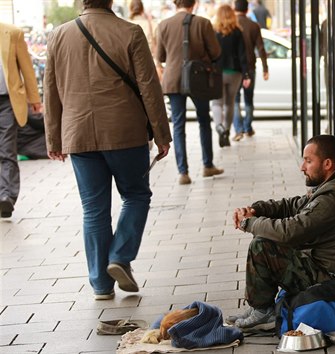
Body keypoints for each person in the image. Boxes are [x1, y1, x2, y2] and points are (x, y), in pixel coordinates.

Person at [44, 0, 172, 300]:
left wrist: (53, 139)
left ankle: (101, 285)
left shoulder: (58, 35)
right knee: (137, 195)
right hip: (124, 132)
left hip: (78, 134)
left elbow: (50, 90)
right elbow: (149, 86)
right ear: (111, 1)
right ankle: (120, 256)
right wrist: (161, 133)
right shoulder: (130, 31)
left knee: (93, 209)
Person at [229, 135, 335, 331]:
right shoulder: (333, 186)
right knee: (265, 237)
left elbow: (291, 231)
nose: (302, 167)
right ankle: (259, 308)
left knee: (262, 245)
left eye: (308, 161)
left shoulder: (334, 196)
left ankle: (262, 311)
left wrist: (249, 223)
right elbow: (292, 205)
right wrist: (257, 209)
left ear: (327, 164)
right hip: (323, 267)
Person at [156, 0, 224, 185]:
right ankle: (207, 165)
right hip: (198, 78)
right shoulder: (203, 23)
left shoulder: (163, 25)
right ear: (193, 3)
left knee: (178, 125)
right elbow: (216, 52)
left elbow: (161, 56)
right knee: (203, 120)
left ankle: (183, 173)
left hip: (173, 79)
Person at [0, 22, 42, 218]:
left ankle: (6, 196)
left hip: (7, 101)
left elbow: (27, 68)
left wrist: (34, 99)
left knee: (7, 148)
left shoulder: (12, 33)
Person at [211, 4, 250, 147]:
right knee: (230, 103)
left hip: (218, 72)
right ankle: (227, 131)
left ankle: (219, 127)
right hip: (235, 73)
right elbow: (242, 55)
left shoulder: (214, 32)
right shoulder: (237, 32)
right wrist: (246, 74)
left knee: (216, 103)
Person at [232, 0, 269, 142]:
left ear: (235, 9)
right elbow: (261, 48)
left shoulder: (230, 25)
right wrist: (265, 68)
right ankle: (247, 127)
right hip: (249, 68)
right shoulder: (254, 26)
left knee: (235, 101)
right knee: (248, 99)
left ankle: (238, 129)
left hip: (235, 69)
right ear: (247, 10)